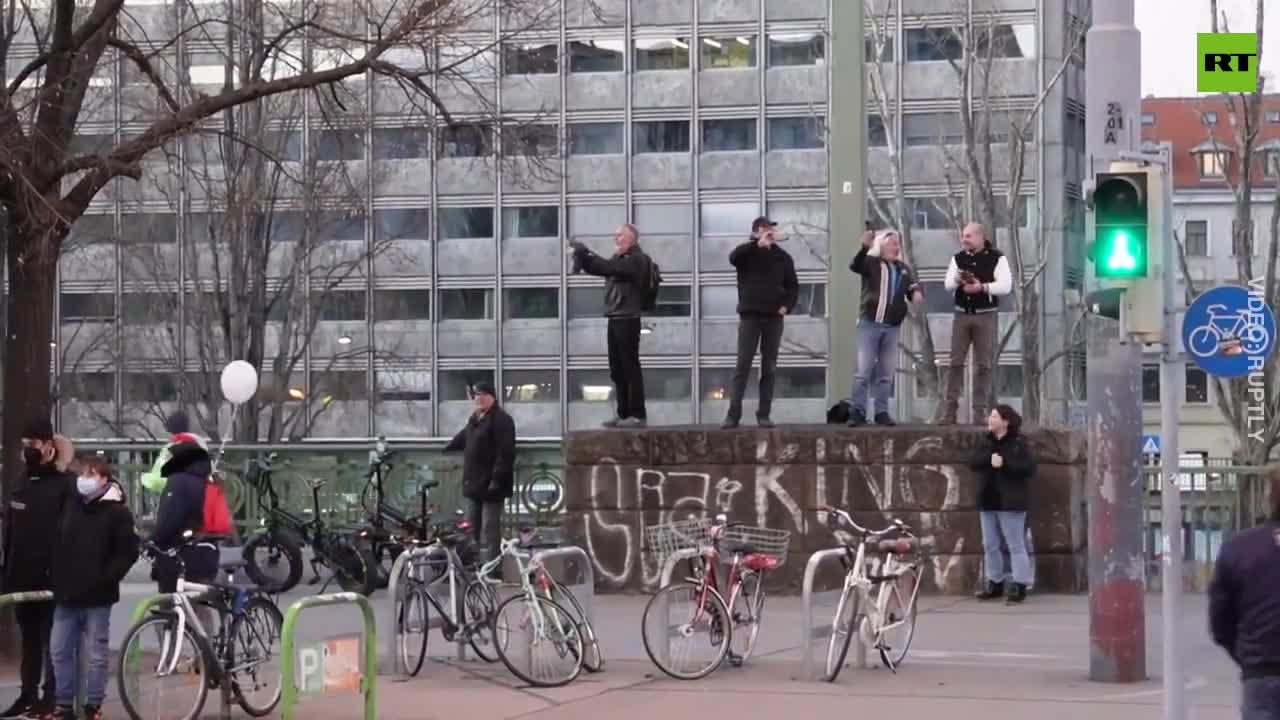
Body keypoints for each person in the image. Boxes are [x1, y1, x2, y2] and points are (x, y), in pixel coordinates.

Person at [50, 457, 139, 720]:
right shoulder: (71, 505)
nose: (84, 478)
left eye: (91, 473)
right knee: (59, 650)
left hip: (98, 595)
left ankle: (93, 704)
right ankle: (64, 704)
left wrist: (106, 577)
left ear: (104, 478)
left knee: (96, 653)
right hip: (67, 592)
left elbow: (128, 551)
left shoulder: (117, 512)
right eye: (83, 473)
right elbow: (58, 541)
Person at [1, 421, 74, 720]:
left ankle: (52, 696)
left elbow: (71, 532)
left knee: (52, 641)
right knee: (29, 639)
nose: (27, 451)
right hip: (21, 576)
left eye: (32, 445)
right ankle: (27, 694)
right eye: (24, 445)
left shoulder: (65, 484)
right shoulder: (21, 481)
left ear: (47, 446)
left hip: (52, 578)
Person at [1208, 468, 1280, 719]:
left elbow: (1220, 622)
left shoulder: (1239, 548)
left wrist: (1248, 657)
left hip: (1260, 673)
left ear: (1270, 499)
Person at [569, 224, 653, 428]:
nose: (616, 239)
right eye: (615, 235)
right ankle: (623, 413)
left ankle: (638, 414)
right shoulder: (619, 259)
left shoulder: (637, 259)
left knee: (630, 367)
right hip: (615, 317)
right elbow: (600, 268)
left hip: (628, 318)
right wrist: (584, 256)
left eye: (620, 235)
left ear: (631, 238)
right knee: (617, 368)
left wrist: (587, 252)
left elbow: (609, 268)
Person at [721, 216, 798, 429]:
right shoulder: (747, 253)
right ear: (756, 231)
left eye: (771, 229)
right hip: (750, 316)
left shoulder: (783, 258)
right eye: (764, 229)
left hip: (774, 317)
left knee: (769, 367)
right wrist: (756, 245)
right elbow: (733, 258)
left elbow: (793, 286)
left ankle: (764, 414)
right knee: (743, 365)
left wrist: (786, 306)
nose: (769, 233)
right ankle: (733, 414)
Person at [934, 223, 1012, 425]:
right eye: (963, 236)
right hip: (961, 315)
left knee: (983, 365)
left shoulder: (997, 257)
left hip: (985, 316)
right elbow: (947, 284)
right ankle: (949, 411)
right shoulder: (958, 258)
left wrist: (982, 287)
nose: (964, 240)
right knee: (955, 363)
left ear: (979, 237)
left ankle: (979, 411)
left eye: (968, 236)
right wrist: (959, 280)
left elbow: (1005, 286)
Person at [847, 228, 923, 427]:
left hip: (891, 327)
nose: (895, 248)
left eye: (897, 244)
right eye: (891, 244)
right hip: (870, 323)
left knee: (886, 373)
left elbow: (913, 285)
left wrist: (915, 294)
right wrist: (864, 246)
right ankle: (858, 411)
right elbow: (854, 266)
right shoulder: (871, 263)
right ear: (881, 245)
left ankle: (881, 411)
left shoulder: (903, 268)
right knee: (863, 371)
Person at [444, 381, 516, 567]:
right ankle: (472, 565)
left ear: (493, 397)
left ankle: (492, 568)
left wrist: (497, 479)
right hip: (474, 483)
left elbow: (505, 452)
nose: (479, 398)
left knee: (489, 529)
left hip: (493, 484)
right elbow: (465, 437)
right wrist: (448, 447)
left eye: (484, 395)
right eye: (477, 395)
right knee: (470, 528)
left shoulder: (502, 420)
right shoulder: (475, 419)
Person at [970, 404, 1036, 604]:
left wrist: (1005, 464)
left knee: (1015, 544)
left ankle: (1019, 584)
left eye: (994, 416)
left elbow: (1028, 468)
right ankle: (995, 582)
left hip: (1010, 502)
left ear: (1005, 421)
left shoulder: (1018, 443)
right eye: (990, 416)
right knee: (989, 544)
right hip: (988, 500)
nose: (990, 420)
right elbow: (973, 462)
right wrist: (988, 460)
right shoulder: (986, 442)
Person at [150, 437, 219, 593]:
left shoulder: (178, 482)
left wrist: (152, 542)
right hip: (206, 553)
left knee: (173, 608)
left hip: (180, 556)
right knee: (200, 606)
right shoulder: (208, 481)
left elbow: (170, 520)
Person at [140, 411, 201, 495]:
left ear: (171, 431)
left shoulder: (171, 450)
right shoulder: (198, 447)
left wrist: (144, 478)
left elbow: (161, 479)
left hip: (175, 498)